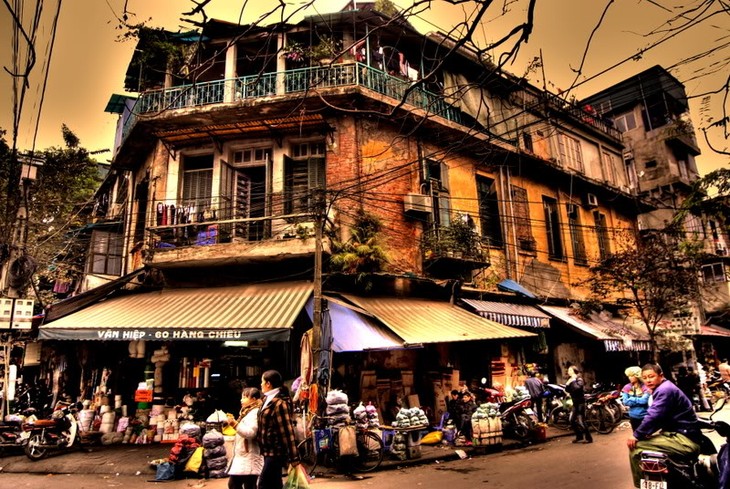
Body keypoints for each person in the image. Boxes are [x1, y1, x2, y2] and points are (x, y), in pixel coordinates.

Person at [627, 363, 701, 488]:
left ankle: (641, 485)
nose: (648, 380)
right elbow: (660, 417)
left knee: (636, 448)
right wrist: (646, 432)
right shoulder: (664, 387)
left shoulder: (664, 390)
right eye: (644, 378)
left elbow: (654, 415)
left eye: (651, 376)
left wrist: (636, 435)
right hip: (680, 434)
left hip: (684, 439)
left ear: (661, 376)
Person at [257, 370, 300, 489]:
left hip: (276, 452)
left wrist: (294, 458)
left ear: (268, 383)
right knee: (275, 483)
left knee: (263, 484)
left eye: (262, 382)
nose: (260, 384)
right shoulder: (266, 400)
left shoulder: (280, 403)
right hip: (266, 451)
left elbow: (287, 430)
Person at [227, 387, 263, 489]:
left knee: (235, 484)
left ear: (254, 399)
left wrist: (235, 424)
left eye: (245, 397)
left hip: (249, 456)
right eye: (242, 397)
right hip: (244, 456)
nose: (241, 400)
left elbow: (251, 433)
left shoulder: (254, 413)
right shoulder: (247, 412)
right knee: (247, 485)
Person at [564, 365, 592, 444]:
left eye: (570, 370)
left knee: (581, 421)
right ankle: (579, 436)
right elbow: (567, 390)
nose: (568, 372)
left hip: (581, 403)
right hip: (575, 403)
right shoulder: (570, 380)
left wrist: (572, 382)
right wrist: (568, 383)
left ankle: (589, 438)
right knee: (572, 420)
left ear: (574, 371)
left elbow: (577, 388)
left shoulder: (579, 379)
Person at [621, 366, 650, 430]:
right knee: (636, 435)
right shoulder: (627, 387)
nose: (629, 378)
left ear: (637, 376)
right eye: (629, 376)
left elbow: (644, 401)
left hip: (645, 416)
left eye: (631, 376)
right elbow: (625, 402)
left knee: (647, 436)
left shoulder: (645, 386)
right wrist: (639, 400)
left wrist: (631, 399)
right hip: (633, 416)